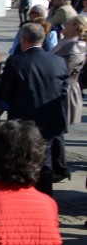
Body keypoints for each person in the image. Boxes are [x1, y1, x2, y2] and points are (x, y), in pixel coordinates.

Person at [0, 23, 68, 196]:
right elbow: (64, 91)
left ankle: (22, 197)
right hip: (50, 120)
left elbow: (5, 94)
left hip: (23, 122)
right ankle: (45, 198)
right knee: (45, 161)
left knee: (21, 160)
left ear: (23, 39)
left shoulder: (16, 61)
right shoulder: (58, 61)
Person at [51, 15, 87, 181]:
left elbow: (63, 71)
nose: (64, 24)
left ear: (75, 27)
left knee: (57, 130)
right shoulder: (67, 41)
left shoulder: (74, 47)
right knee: (56, 130)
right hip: (62, 87)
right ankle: (58, 165)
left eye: (69, 23)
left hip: (64, 90)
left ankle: (60, 167)